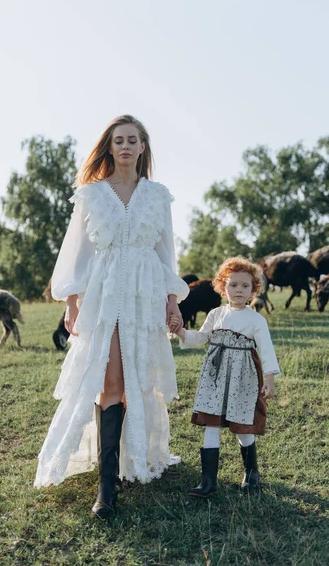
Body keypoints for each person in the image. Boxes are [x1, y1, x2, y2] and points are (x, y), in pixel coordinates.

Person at [34, 115, 189, 518]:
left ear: (142, 147)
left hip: (144, 292)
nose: (124, 146)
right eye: (118, 140)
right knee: (109, 378)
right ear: (109, 146)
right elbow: (76, 254)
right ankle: (107, 485)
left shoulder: (157, 196)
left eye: (131, 140)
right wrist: (71, 302)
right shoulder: (91, 195)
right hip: (103, 294)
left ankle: (125, 463)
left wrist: (172, 301)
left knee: (134, 375)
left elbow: (165, 252)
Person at [170, 256, 280, 497]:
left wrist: (270, 379)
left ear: (253, 289)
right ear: (222, 286)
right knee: (212, 422)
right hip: (215, 375)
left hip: (243, 377)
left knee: (242, 426)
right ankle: (208, 482)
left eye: (245, 286)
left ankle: (252, 473)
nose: (239, 290)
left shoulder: (256, 320)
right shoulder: (216, 314)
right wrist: (180, 332)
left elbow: (267, 350)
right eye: (233, 285)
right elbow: (200, 338)